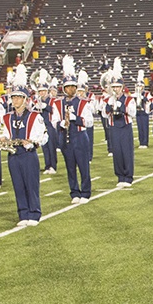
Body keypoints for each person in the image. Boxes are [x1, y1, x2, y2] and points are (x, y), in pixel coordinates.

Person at [0, 64, 48, 226]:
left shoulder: (35, 116)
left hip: (28, 155)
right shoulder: (7, 117)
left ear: (25, 99)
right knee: (18, 185)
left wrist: (32, 142)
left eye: (19, 97)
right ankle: (23, 214)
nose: (15, 100)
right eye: (13, 97)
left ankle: (34, 214)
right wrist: (3, 139)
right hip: (13, 155)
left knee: (31, 184)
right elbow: (6, 133)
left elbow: (44, 136)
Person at [53, 55, 93, 204]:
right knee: (70, 167)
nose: (71, 89)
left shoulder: (83, 103)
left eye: (73, 87)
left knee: (83, 166)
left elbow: (89, 122)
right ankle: (74, 192)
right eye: (68, 87)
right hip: (65, 138)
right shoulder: (58, 104)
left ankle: (86, 192)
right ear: (63, 88)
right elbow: (53, 121)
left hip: (80, 137)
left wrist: (77, 119)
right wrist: (62, 123)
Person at [104, 59, 136, 187]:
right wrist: (109, 106)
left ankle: (128, 176)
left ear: (122, 87)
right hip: (114, 127)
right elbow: (104, 114)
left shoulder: (128, 99)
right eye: (114, 87)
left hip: (125, 127)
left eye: (117, 87)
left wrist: (122, 106)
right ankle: (120, 176)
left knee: (126, 151)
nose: (116, 89)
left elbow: (133, 112)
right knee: (117, 152)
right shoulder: (110, 99)